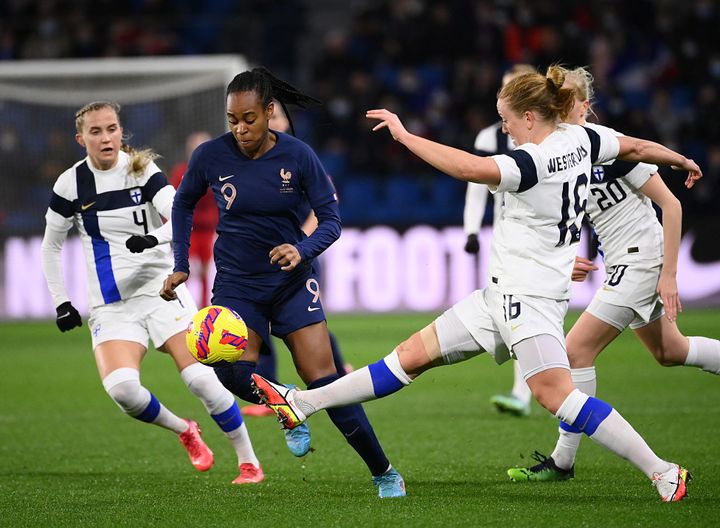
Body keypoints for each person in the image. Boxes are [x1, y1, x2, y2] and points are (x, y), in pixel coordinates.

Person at [252, 66, 702, 502]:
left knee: (556, 395)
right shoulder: (584, 138)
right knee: (409, 356)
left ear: (529, 117)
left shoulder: (535, 160)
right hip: (498, 296)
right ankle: (304, 403)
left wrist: (406, 137)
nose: (504, 130)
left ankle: (663, 471)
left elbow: (469, 168)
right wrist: (679, 159)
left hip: (530, 300)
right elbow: (639, 148)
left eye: (506, 121)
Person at [160, 68, 406, 498]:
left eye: (249, 119)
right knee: (228, 369)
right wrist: (181, 263)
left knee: (326, 381)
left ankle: (383, 470)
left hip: (291, 282)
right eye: (232, 120)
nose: (239, 129)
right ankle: (284, 402)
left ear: (269, 112)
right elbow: (182, 203)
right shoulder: (210, 156)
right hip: (237, 286)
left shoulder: (298, 156)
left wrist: (302, 249)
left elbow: (331, 221)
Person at [504, 66, 720, 482]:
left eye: (569, 102)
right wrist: (570, 259)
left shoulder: (609, 147)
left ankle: (563, 462)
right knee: (670, 352)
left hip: (641, 260)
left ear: (585, 106)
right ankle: (563, 462)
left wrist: (669, 274)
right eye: (558, 102)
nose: (563, 109)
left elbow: (671, 206)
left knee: (574, 353)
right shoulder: (566, 153)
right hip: (622, 262)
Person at [40, 101, 263, 485]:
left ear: (120, 131)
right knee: (123, 390)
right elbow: (51, 246)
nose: (105, 137)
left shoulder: (142, 169)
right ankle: (184, 430)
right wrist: (61, 300)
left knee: (201, 380)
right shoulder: (70, 184)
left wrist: (152, 238)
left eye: (111, 128)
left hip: (161, 290)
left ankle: (249, 462)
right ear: (81, 139)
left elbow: (179, 211)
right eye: (96, 131)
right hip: (111, 304)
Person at [242, 101, 353, 418]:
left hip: (297, 257)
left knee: (308, 325)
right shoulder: (246, 162)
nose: (269, 122)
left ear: (287, 123)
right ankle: (273, 391)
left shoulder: (302, 158)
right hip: (259, 261)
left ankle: (335, 374)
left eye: (274, 116)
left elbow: (327, 207)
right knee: (258, 325)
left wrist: (300, 244)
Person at [463, 63, 536, 418]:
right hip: (505, 236)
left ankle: (529, 390)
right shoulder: (489, 138)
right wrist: (472, 230)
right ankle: (527, 389)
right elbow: (476, 189)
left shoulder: (553, 140)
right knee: (513, 310)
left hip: (538, 238)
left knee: (522, 311)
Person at [169, 131, 214, 308]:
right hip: (189, 230)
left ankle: (203, 308)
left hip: (209, 230)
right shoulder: (181, 172)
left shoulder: (216, 172)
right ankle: (183, 307)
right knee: (185, 270)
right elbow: (172, 203)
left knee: (204, 273)